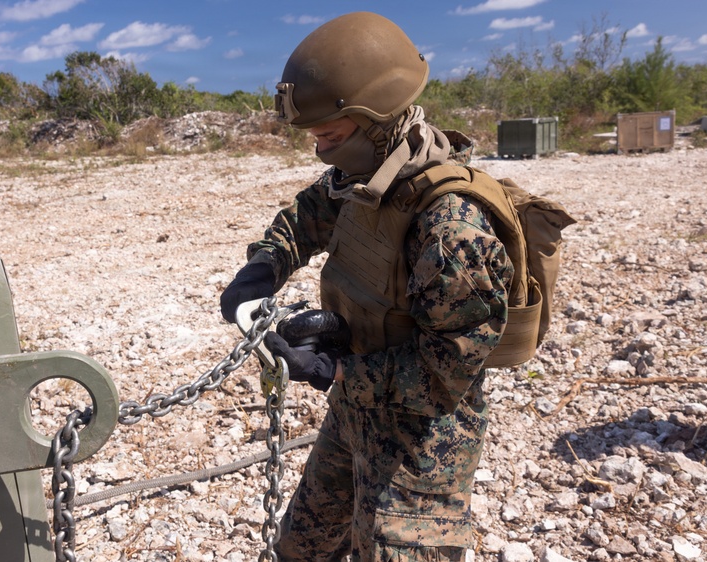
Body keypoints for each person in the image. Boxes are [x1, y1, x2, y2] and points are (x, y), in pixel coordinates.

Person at [220, 11, 513, 562]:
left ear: (376, 121)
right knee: (303, 546)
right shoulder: (365, 177)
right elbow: (307, 216)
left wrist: (332, 370)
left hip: (424, 439)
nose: (318, 150)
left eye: (328, 135)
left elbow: (444, 374)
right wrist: (262, 268)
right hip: (357, 408)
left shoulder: (452, 231)